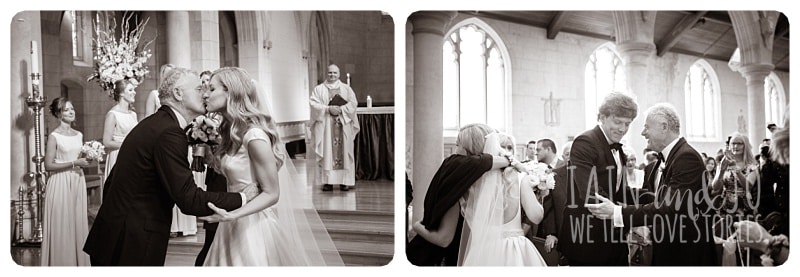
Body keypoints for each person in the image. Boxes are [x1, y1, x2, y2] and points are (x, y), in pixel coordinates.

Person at [83, 67, 259, 266]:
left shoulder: (155, 123)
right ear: (178, 93)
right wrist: (243, 197)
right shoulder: (169, 132)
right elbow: (189, 199)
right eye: (199, 89)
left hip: (115, 236)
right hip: (131, 243)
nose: (205, 94)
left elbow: (113, 181)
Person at [199, 67, 343, 266]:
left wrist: (233, 215)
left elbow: (272, 193)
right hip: (231, 221)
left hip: (252, 226)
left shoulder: (254, 136)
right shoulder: (231, 132)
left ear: (231, 92)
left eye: (212, 89)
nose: (205, 94)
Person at [585, 103, 717, 266]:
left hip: (686, 253)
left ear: (664, 127)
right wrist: (617, 191)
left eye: (647, 127)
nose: (643, 132)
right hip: (671, 247)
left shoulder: (685, 158)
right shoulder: (671, 157)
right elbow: (657, 198)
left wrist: (617, 212)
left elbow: (669, 208)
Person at [414, 132, 548, 266]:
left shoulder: (467, 185)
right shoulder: (522, 178)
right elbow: (536, 216)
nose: (506, 151)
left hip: (482, 253)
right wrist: (539, 196)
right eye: (503, 147)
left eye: (509, 147)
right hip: (515, 251)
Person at [557, 92, 638, 266]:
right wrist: (628, 214)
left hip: (613, 235)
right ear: (602, 117)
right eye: (617, 122)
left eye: (627, 124)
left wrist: (651, 201)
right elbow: (591, 193)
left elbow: (617, 189)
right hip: (588, 238)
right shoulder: (586, 142)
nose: (622, 129)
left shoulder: (617, 147)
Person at [41, 97, 91, 266]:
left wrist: (89, 157)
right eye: (67, 110)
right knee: (62, 225)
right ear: (58, 113)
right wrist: (74, 163)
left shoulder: (79, 135)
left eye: (72, 109)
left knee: (77, 223)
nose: (72, 112)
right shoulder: (54, 136)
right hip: (60, 182)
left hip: (77, 180)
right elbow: (48, 165)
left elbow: (79, 158)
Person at [309, 64, 360, 192]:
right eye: (330, 73)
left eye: (334, 73)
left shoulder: (346, 89)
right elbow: (313, 104)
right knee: (327, 152)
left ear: (339, 74)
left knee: (345, 152)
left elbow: (353, 104)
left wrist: (340, 109)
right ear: (327, 73)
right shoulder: (319, 89)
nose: (332, 75)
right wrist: (328, 109)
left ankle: (345, 182)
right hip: (326, 125)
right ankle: (328, 182)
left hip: (343, 123)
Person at [101, 78, 139, 203]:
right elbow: (106, 142)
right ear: (122, 93)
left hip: (132, 157)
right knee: (118, 196)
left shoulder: (133, 114)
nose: (134, 92)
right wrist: (127, 145)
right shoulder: (113, 114)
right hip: (118, 155)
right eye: (131, 90)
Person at [710, 132, 758, 217]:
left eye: (739, 143)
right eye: (733, 143)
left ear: (745, 146)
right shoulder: (723, 163)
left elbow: (748, 186)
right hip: (726, 204)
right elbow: (715, 187)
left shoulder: (751, 165)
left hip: (744, 205)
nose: (735, 146)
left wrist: (736, 169)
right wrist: (721, 171)